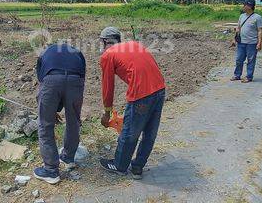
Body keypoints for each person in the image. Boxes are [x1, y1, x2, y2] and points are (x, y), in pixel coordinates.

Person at [97, 27, 166, 180]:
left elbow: (108, 86)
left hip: (141, 95)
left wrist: (107, 112)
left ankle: (120, 166)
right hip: (160, 90)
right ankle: (137, 167)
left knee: (129, 132)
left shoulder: (108, 55)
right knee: (150, 132)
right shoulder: (134, 44)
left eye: (101, 42)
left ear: (105, 41)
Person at [32, 42, 86, 184]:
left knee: (45, 125)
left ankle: (50, 171)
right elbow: (81, 78)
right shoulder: (76, 52)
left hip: (51, 81)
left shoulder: (45, 53)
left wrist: (51, 110)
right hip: (76, 81)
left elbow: (43, 84)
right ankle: (68, 158)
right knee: (73, 121)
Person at [230, 0, 262, 83]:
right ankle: (237, 75)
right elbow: (238, 28)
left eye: (244, 5)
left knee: (251, 60)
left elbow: (260, 31)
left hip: (252, 43)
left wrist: (259, 43)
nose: (243, 7)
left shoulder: (257, 17)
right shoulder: (242, 16)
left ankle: (249, 77)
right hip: (241, 42)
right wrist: (234, 39)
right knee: (239, 60)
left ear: (249, 6)